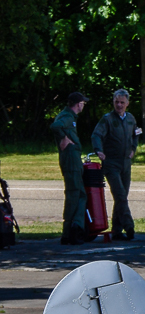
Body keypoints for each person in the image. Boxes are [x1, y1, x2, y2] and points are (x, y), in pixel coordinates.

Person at [91, 89, 140, 240]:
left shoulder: (131, 118)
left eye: (122, 102)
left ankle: (117, 231)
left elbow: (136, 135)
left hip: (125, 162)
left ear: (127, 103)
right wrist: (99, 150)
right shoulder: (107, 119)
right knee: (119, 194)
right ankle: (129, 226)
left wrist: (133, 149)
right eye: (116, 102)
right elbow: (96, 135)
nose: (119, 105)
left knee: (122, 196)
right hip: (111, 163)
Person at [49, 92, 89, 245]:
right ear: (78, 104)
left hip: (71, 158)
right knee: (76, 194)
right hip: (71, 159)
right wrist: (64, 138)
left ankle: (71, 230)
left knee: (77, 193)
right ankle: (73, 229)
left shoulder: (68, 116)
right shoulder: (67, 117)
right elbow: (55, 126)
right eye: (83, 103)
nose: (83, 105)